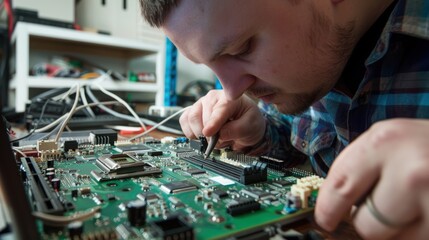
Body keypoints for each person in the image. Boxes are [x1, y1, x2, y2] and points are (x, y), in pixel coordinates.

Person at [139, 0, 429, 239]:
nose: (230, 90)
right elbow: (302, 135)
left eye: (241, 49)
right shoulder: (317, 59)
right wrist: (261, 130)